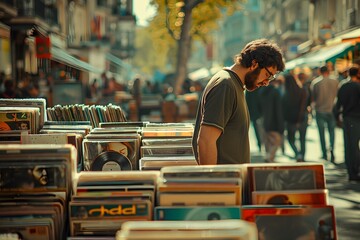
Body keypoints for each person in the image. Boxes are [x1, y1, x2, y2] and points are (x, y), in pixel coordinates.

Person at [192, 38, 285, 165]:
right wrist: (212, 180)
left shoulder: (233, 84)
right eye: (268, 75)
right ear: (254, 64)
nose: (266, 83)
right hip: (224, 181)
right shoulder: (226, 85)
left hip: (231, 180)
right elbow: (205, 141)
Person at [333, 66, 360, 181]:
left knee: (349, 146)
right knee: (355, 147)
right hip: (357, 118)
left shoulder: (343, 86)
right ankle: (356, 170)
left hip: (348, 119)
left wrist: (337, 118)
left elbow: (337, 105)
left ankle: (351, 172)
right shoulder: (358, 86)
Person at [310, 65, 338, 162]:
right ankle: (331, 148)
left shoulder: (316, 83)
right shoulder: (335, 81)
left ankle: (324, 153)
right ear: (328, 71)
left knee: (321, 133)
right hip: (331, 109)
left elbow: (313, 99)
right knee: (332, 132)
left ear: (320, 72)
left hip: (319, 111)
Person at [282, 73, 309, 162]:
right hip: (303, 118)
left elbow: (284, 109)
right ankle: (302, 156)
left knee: (290, 139)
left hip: (291, 120)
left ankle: (298, 154)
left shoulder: (285, 94)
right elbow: (304, 105)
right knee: (302, 138)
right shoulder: (302, 90)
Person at [259, 79, 284, 163]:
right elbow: (279, 110)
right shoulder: (276, 92)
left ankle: (268, 156)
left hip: (264, 120)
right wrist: (281, 125)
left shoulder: (262, 91)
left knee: (268, 142)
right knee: (277, 141)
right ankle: (269, 157)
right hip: (275, 122)